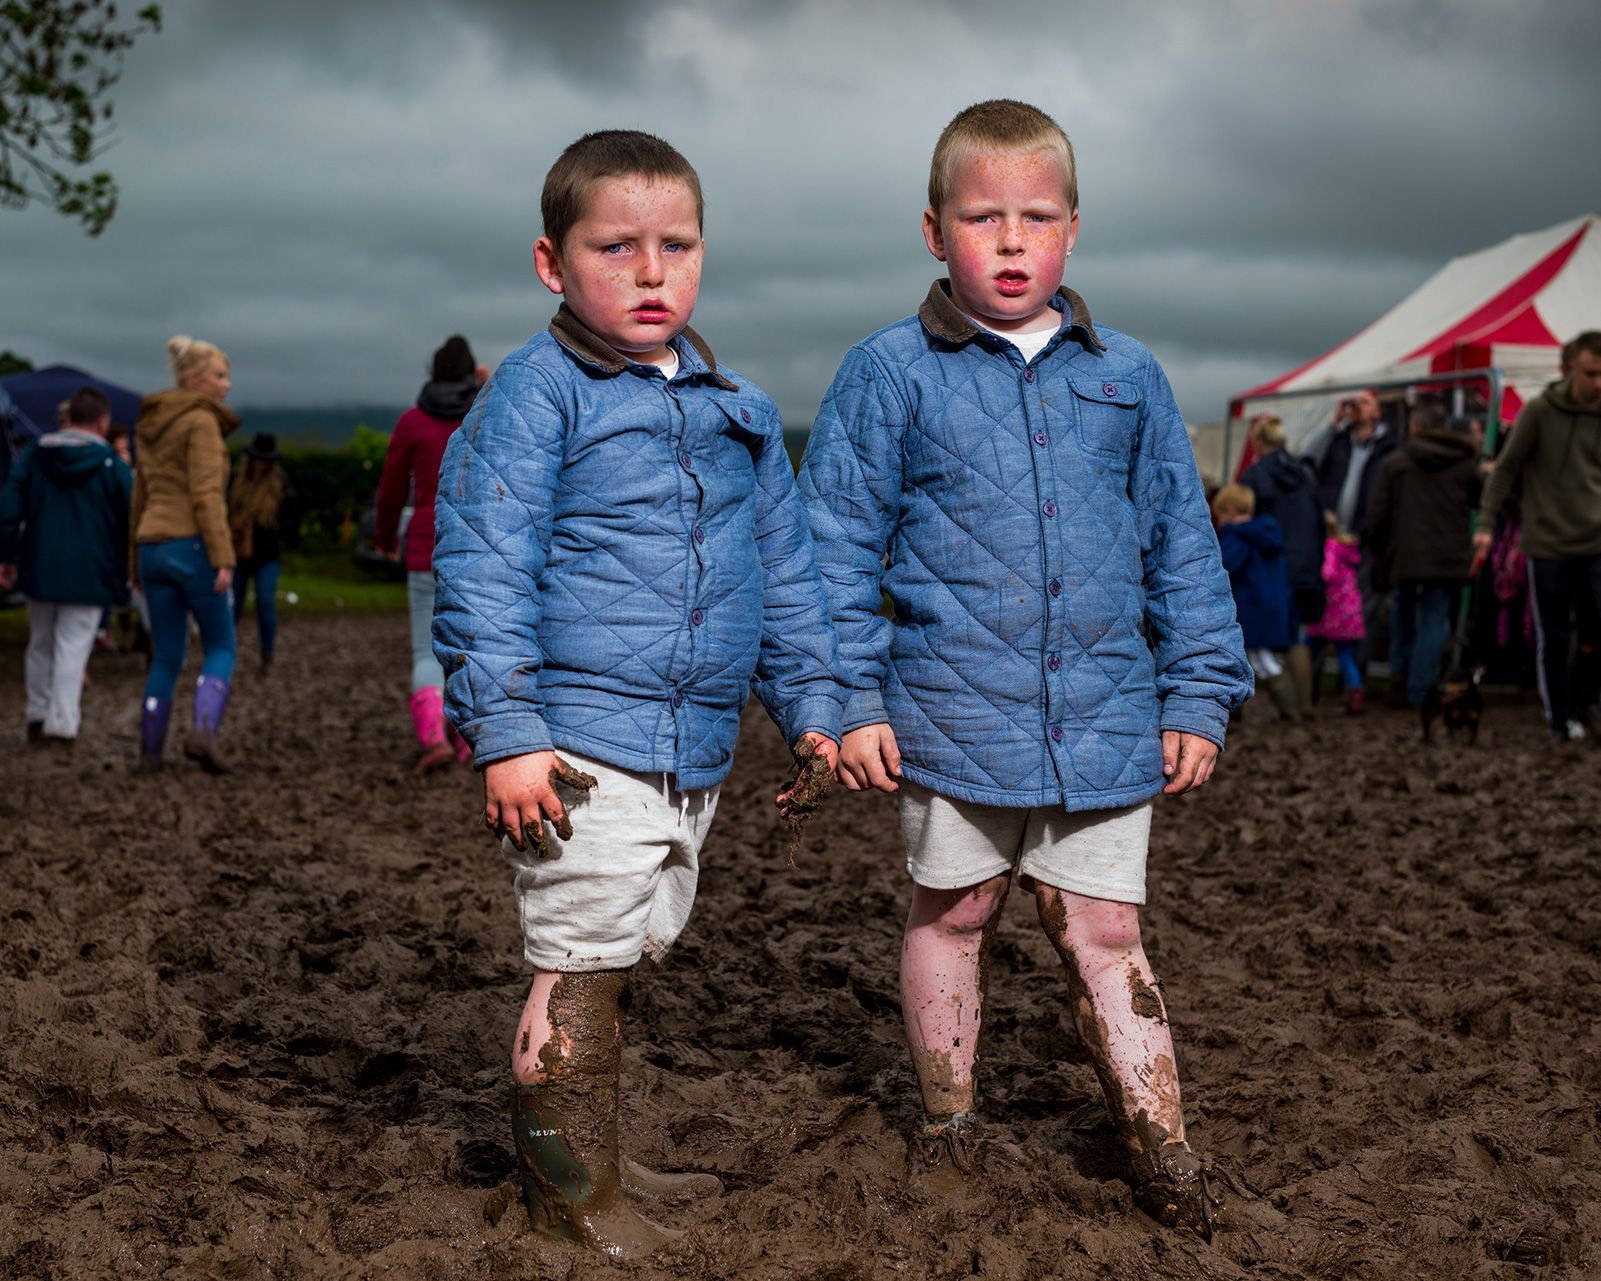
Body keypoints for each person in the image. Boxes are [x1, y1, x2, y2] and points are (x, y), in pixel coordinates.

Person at [797, 100, 1251, 1237]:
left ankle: (1163, 1148)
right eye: (980, 216)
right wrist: (844, 702)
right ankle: (946, 1121)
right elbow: (831, 550)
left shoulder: (1129, 376)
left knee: (1106, 934)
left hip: (1104, 718)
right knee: (952, 915)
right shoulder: (886, 372)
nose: (1009, 240)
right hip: (947, 716)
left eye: (1034, 216)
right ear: (931, 229)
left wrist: (1198, 687)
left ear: (1072, 230)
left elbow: (1179, 545)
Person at [431, 130, 843, 1259]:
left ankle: (595, 1151)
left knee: (629, 945)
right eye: (617, 247)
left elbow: (785, 573)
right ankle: (567, 1196)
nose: (651, 271)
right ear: (550, 263)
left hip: (693, 740)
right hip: (577, 738)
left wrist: (811, 706)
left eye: (677, 245)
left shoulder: (737, 408)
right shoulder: (532, 394)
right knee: (579, 956)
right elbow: (480, 564)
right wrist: (505, 732)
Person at [1475, 331, 1601, 740]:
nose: (1598, 383)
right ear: (1569, 371)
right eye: (1591, 374)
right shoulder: (1540, 412)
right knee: (1555, 632)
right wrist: (1485, 526)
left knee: (1595, 629)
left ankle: (1587, 702)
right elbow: (1505, 468)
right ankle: (1560, 718)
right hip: (1548, 542)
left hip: (1595, 539)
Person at [130, 335, 240, 772]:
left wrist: (132, 564)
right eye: (219, 375)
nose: (226, 385)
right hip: (191, 544)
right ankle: (204, 733)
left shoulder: (151, 423)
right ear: (194, 379)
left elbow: (139, 495)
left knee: (166, 654)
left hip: (150, 547)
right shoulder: (201, 423)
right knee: (221, 644)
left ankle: (150, 752)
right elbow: (206, 494)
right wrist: (224, 556)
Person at [0, 387, 132, 744]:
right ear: (103, 422)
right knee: (73, 645)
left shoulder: (35, 454)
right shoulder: (112, 465)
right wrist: (129, 567)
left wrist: (6, 554)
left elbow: (10, 503)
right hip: (90, 568)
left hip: (39, 563)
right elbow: (130, 519)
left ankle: (36, 715)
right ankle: (61, 723)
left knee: (40, 642)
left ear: (69, 416)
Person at [374, 335, 480, 772]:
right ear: (472, 373)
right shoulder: (485, 413)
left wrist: (385, 537)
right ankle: (468, 742)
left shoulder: (412, 422)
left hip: (423, 545)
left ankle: (432, 738)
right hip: (477, 546)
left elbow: (391, 489)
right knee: (472, 649)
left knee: (425, 651)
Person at [1366, 405, 1481, 707]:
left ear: (1415, 425)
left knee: (1402, 613)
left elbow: (1377, 516)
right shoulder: (1465, 463)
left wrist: (1381, 553)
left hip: (1406, 554)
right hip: (1448, 556)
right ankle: (1421, 688)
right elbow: (1479, 500)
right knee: (1434, 621)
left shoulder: (1396, 463)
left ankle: (1400, 678)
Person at [1306, 388, 1397, 678]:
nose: (1357, 406)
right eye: (1354, 401)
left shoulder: (1389, 447)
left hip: (1363, 541)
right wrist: (1333, 423)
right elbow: (1306, 458)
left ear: (1378, 412)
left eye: (1365, 402)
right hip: (1328, 539)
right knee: (1319, 606)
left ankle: (1356, 677)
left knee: (1362, 611)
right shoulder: (1337, 440)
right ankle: (1313, 677)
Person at [1241, 414, 1323, 714]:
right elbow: (1318, 520)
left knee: (1257, 638)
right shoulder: (1305, 473)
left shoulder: (1255, 475)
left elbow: (1245, 523)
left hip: (1270, 567)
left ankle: (1288, 709)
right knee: (1297, 634)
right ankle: (1306, 704)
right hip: (1305, 562)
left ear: (1259, 443)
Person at [1214, 484, 1298, 718]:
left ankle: (1291, 713)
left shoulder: (1236, 536)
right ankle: (1291, 710)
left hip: (1252, 607)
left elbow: (1226, 567)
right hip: (1274, 605)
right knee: (1261, 658)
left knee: (1261, 661)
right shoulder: (1269, 532)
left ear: (1230, 510)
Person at [229, 433, 294, 675]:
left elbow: (289, 520)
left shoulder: (281, 486)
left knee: (265, 602)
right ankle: (226, 652)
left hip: (267, 554)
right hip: (238, 554)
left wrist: (266, 528)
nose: (261, 464)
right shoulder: (235, 480)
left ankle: (267, 652)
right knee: (233, 604)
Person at [1305, 513, 1366, 713]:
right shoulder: (1345, 548)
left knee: (1307, 648)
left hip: (1331, 612)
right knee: (1346, 656)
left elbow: (1327, 573)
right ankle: (1355, 692)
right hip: (1349, 613)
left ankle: (1304, 690)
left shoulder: (1329, 547)